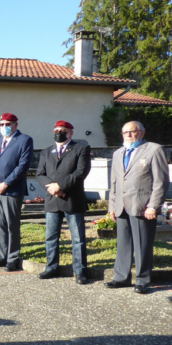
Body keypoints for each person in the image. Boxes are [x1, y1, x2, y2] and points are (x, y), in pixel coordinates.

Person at [105, 121, 169, 294]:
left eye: (132, 132)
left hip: (142, 206)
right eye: (125, 132)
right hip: (121, 206)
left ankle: (142, 280)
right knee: (123, 244)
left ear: (141, 132)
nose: (128, 135)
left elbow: (161, 181)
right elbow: (115, 182)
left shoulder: (154, 150)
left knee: (142, 244)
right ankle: (121, 277)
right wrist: (112, 206)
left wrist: (153, 206)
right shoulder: (118, 153)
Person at [36, 121, 92, 285]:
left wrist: (61, 187)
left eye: (63, 131)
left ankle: (80, 271)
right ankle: (52, 267)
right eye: (56, 130)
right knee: (51, 237)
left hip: (72, 199)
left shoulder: (80, 148)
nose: (59, 133)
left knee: (77, 238)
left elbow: (81, 172)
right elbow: (40, 173)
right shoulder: (46, 152)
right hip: (53, 200)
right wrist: (52, 188)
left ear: (70, 133)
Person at [0, 113, 34, 271]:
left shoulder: (24, 140)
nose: (4, 127)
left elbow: (23, 166)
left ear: (15, 125)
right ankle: (1, 256)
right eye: (2, 124)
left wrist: (6, 184)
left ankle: (12, 258)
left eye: (8, 124)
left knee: (12, 224)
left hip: (12, 190)